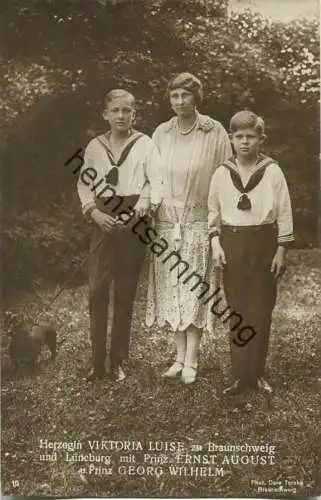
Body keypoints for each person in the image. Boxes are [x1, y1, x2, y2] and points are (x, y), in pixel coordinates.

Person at [146, 72, 232, 384]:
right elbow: (152, 176)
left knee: (194, 289)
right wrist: (150, 205)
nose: (180, 102)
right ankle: (178, 356)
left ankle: (192, 359)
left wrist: (218, 223)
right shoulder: (161, 133)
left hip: (199, 224)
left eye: (185, 95)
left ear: (196, 97)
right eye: (174, 96)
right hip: (167, 224)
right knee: (173, 289)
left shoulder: (214, 131)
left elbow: (225, 176)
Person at [77, 89, 163, 382]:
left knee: (125, 292)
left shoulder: (145, 145)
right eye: (115, 111)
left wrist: (137, 211)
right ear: (106, 114)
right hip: (102, 217)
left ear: (134, 114)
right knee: (98, 290)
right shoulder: (94, 147)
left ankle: (117, 360)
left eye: (127, 111)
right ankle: (97, 362)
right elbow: (84, 185)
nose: (121, 116)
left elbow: (154, 183)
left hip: (132, 220)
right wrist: (94, 213)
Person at [208, 110, 294, 394]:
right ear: (231, 139)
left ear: (261, 139)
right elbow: (213, 212)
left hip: (263, 242)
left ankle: (256, 373)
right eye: (239, 137)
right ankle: (239, 374)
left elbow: (283, 210)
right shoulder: (222, 173)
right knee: (237, 309)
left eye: (251, 136)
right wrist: (215, 243)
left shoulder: (272, 170)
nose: (245, 142)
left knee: (260, 308)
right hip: (232, 242)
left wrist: (281, 249)